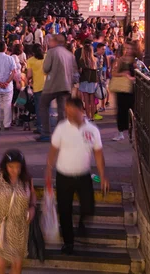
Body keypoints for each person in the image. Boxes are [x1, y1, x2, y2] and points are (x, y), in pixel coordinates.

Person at [45, 98, 109, 255]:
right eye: (67, 112)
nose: (69, 115)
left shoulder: (92, 130)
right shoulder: (61, 128)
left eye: (72, 112)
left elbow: (98, 154)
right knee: (64, 211)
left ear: (81, 110)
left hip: (83, 175)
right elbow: (53, 150)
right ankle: (68, 243)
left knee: (88, 206)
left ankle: (81, 221)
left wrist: (102, 176)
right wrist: (48, 170)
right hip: (63, 176)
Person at [37, 34, 77, 142]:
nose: (49, 43)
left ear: (55, 42)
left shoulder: (51, 52)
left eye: (50, 41)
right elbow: (75, 71)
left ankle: (46, 133)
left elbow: (45, 68)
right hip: (66, 85)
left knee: (43, 105)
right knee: (62, 109)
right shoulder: (70, 54)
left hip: (52, 85)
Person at [112, 43, 136, 141]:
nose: (128, 50)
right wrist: (124, 74)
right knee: (122, 110)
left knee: (132, 109)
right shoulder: (121, 60)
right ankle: (121, 131)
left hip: (131, 88)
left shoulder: (134, 60)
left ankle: (131, 131)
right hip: (122, 88)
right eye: (127, 48)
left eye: (130, 48)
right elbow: (113, 72)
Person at [78, 40, 101, 121]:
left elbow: (80, 71)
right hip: (93, 80)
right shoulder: (95, 60)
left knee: (86, 101)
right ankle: (92, 116)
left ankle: (88, 117)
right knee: (92, 100)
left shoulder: (82, 61)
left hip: (84, 80)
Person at [26, 44, 45, 135]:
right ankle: (47, 126)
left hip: (37, 85)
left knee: (39, 107)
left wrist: (28, 80)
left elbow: (29, 75)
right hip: (48, 85)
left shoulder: (30, 61)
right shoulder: (47, 57)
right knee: (47, 106)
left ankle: (40, 126)